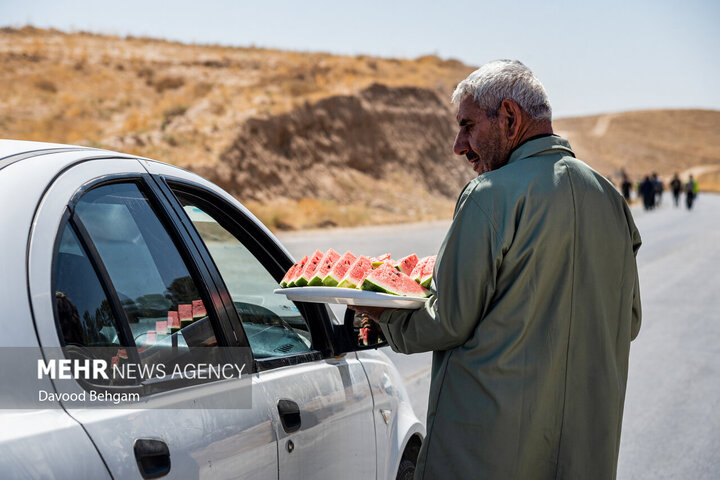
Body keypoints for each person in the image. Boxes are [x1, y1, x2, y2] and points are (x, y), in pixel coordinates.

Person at [351, 60, 642, 479]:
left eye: (467, 126)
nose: (458, 144)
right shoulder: (612, 201)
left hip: (485, 457)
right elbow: (627, 322)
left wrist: (380, 311)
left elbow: (445, 322)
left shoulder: (488, 196)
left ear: (509, 117)